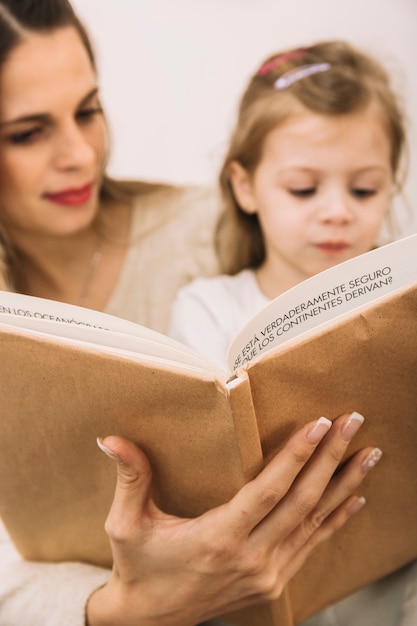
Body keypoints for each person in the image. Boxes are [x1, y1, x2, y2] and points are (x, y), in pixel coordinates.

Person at [0, 4, 383, 625]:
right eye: (26, 133)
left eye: (88, 111)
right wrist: (124, 609)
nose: (78, 154)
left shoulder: (222, 226)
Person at [169, 41, 417, 624]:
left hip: (388, 575)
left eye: (364, 189)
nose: (336, 212)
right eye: (304, 189)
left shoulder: (405, 303)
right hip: (259, 586)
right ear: (245, 185)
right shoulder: (206, 307)